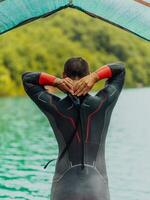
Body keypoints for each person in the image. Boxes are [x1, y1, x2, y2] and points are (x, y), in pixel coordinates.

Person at [22, 57, 126, 200]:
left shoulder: (55, 107)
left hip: (64, 188)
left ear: (64, 75)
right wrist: (95, 76)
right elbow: (120, 70)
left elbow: (27, 79)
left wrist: (56, 82)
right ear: (88, 74)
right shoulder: (103, 103)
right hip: (97, 188)